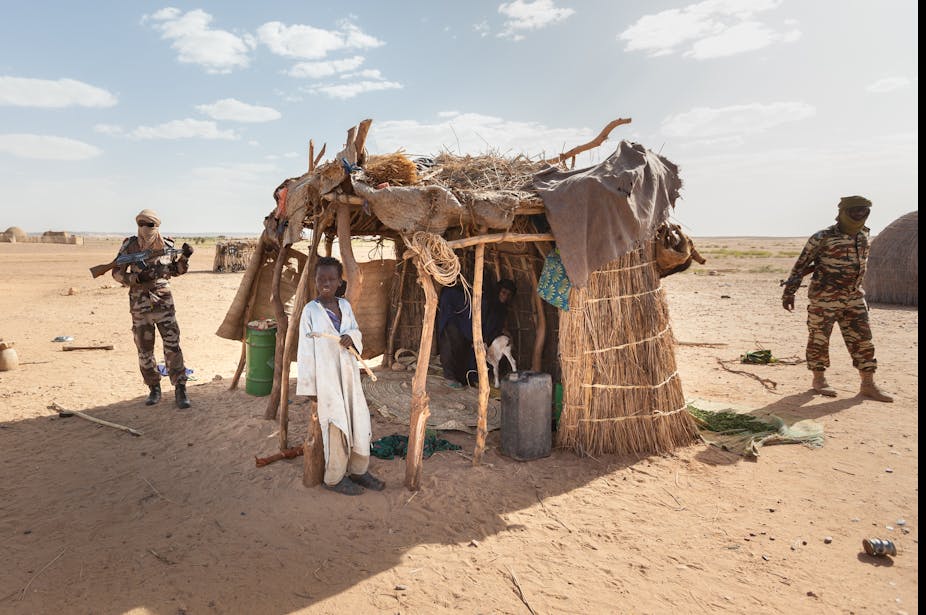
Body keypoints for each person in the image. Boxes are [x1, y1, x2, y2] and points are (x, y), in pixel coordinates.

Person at [781, 196, 892, 402]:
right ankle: (819, 380)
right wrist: (789, 292)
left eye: (864, 211)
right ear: (843, 212)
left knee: (863, 340)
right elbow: (801, 264)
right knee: (819, 340)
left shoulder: (864, 235)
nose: (860, 214)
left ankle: (868, 384)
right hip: (824, 299)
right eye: (855, 210)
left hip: (854, 297)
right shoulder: (822, 237)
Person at [296, 256, 384, 495]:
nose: (326, 283)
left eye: (331, 279)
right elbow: (305, 352)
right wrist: (311, 388)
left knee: (358, 420)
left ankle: (358, 470)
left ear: (339, 282)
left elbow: (356, 333)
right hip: (326, 381)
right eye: (321, 278)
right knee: (335, 424)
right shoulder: (310, 311)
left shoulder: (344, 306)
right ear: (315, 281)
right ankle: (334, 478)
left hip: (348, 377)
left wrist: (351, 338)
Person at [112, 209, 194, 409]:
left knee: (173, 346)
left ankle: (180, 388)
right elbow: (115, 272)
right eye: (141, 224)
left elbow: (176, 271)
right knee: (144, 350)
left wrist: (185, 258)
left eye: (149, 225)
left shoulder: (167, 246)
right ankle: (153, 388)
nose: (145, 228)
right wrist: (136, 278)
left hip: (164, 304)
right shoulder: (129, 246)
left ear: (157, 226)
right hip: (140, 306)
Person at [437, 278, 517, 388]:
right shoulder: (486, 301)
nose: (505, 296)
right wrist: (478, 337)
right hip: (458, 320)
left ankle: (467, 378)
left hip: (472, 329)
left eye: (509, 294)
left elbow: (493, 326)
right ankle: (449, 377)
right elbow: (481, 321)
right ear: (498, 290)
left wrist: (502, 332)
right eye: (504, 292)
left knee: (471, 351)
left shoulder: (501, 309)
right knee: (452, 345)